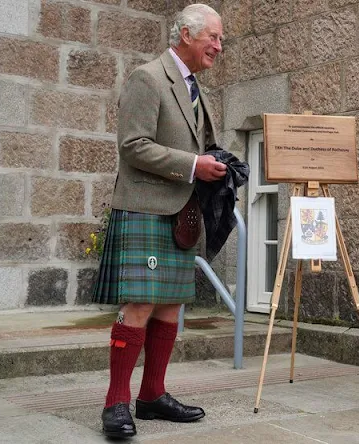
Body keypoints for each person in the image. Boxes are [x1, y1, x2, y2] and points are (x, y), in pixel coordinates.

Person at [92, 4, 226, 439]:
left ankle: (151, 395)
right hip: (147, 208)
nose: (218, 47)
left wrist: (221, 166)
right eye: (214, 38)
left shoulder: (194, 89)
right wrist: (193, 165)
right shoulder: (147, 78)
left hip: (181, 214)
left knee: (170, 306)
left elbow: (199, 147)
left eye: (220, 40)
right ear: (186, 34)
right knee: (140, 304)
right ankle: (116, 402)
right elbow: (133, 146)